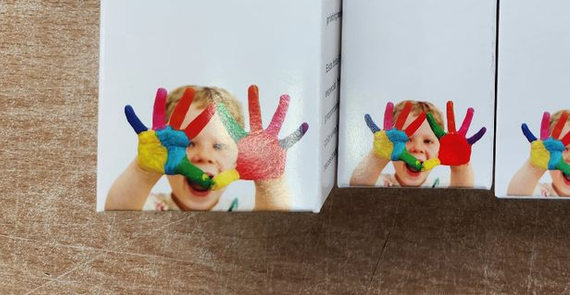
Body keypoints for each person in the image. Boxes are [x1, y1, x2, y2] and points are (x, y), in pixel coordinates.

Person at [105, 85, 305, 210]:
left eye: (218, 145)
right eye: (189, 143)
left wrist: (269, 181)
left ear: (238, 157)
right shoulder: (147, 205)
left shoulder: (242, 210)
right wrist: (143, 172)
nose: (204, 155)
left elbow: (276, 224)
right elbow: (116, 215)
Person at [349, 100, 483, 188]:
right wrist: (377, 158)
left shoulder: (438, 186)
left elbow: (462, 197)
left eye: (428, 141)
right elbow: (356, 188)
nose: (418, 148)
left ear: (440, 149)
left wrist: (460, 166)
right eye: (407, 139)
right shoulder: (381, 182)